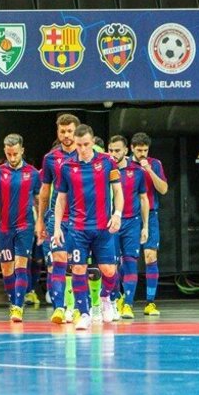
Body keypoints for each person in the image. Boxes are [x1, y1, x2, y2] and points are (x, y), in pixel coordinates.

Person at [53, 124, 124, 331]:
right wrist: (57, 227)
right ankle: (83, 312)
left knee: (109, 270)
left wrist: (117, 214)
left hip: (103, 227)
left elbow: (118, 192)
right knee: (77, 268)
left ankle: (105, 298)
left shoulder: (107, 162)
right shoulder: (66, 166)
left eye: (86, 144)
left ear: (93, 142)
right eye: (79, 145)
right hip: (77, 228)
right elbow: (60, 200)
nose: (82, 148)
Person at [0, 134, 40, 323]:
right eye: (9, 154)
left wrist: (40, 222)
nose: (12, 157)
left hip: (25, 226)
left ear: (22, 151)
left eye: (15, 153)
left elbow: (40, 200)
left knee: (21, 265)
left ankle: (18, 306)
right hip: (5, 228)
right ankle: (13, 299)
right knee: (7, 269)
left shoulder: (33, 173)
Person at [35, 113, 80, 324]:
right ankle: (59, 308)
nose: (66, 135)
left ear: (77, 131)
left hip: (82, 219)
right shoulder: (50, 158)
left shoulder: (88, 154)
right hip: (57, 218)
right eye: (62, 131)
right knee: (58, 262)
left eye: (70, 131)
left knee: (78, 266)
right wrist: (41, 221)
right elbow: (44, 192)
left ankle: (80, 307)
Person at [108, 135, 149, 319]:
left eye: (117, 150)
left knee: (130, 261)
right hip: (110, 223)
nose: (114, 154)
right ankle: (115, 298)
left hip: (132, 222)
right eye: (111, 150)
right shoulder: (104, 169)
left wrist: (145, 226)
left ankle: (128, 304)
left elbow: (143, 199)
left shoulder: (138, 171)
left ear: (126, 150)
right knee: (111, 265)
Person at [130, 132, 168, 316]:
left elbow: (164, 189)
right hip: (129, 216)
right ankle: (124, 301)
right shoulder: (124, 164)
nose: (142, 154)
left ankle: (150, 302)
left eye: (145, 150)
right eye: (139, 150)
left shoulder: (155, 164)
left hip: (151, 214)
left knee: (151, 256)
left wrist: (149, 170)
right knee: (127, 259)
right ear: (131, 148)